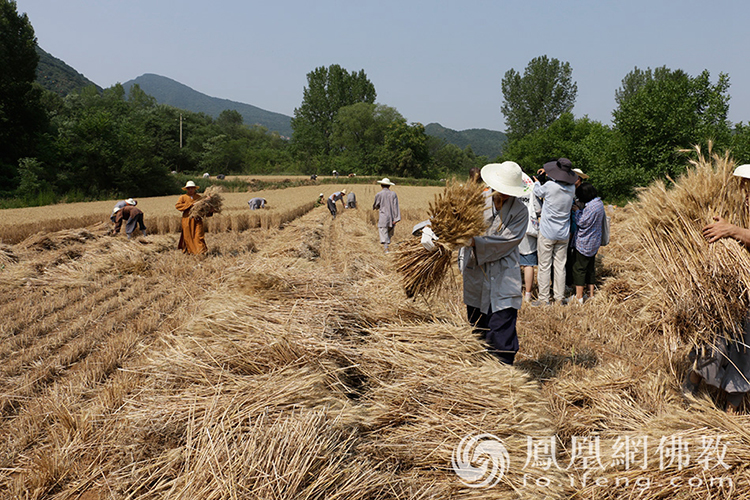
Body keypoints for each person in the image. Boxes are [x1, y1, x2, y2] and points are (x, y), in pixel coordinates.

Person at [690, 164, 750, 413]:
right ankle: (691, 393)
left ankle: (731, 412)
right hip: (737, 287)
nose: (746, 193)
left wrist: (733, 230)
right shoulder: (745, 204)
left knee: (745, 348)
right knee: (713, 339)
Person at [462, 162, 529, 365]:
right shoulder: (475, 202)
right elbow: (452, 221)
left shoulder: (520, 211)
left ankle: (503, 376)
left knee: (502, 332)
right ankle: (481, 375)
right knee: (477, 329)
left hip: (503, 276)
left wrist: (474, 241)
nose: (505, 194)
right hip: (476, 273)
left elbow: (507, 242)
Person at [532, 158, 578, 306]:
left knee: (545, 266)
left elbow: (537, 190)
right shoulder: (571, 189)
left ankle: (544, 298)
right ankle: (559, 297)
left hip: (547, 232)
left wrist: (539, 180)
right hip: (563, 233)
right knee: (560, 266)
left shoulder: (550, 186)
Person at [569, 182, 605, 305]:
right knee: (590, 268)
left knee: (579, 268)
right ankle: (590, 294)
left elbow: (582, 222)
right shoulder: (599, 203)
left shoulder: (590, 207)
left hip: (585, 242)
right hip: (594, 241)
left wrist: (577, 211)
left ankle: (579, 297)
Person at [518, 174, 540, 302]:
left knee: (512, 262)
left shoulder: (509, 187)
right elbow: (538, 209)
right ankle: (527, 294)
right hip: (529, 229)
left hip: (512, 228)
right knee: (528, 263)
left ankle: (513, 290)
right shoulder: (531, 187)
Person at [175, 180, 209, 254]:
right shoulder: (183, 197)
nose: (190, 190)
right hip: (187, 219)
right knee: (188, 236)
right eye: (189, 188)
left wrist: (210, 209)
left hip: (197, 219)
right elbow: (178, 206)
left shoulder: (199, 197)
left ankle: (201, 251)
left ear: (194, 189)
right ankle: (191, 251)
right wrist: (191, 204)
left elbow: (204, 209)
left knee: (199, 235)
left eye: (192, 188)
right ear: (187, 189)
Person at [373, 178, 400, 253]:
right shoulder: (393, 194)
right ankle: (387, 246)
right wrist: (396, 218)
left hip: (383, 217)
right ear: (389, 186)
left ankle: (386, 248)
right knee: (389, 233)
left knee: (383, 231)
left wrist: (376, 207)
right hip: (392, 217)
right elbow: (396, 206)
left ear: (381, 185)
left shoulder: (379, 194)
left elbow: (376, 205)